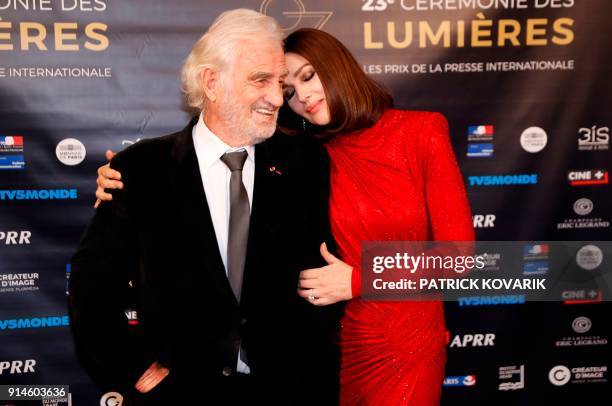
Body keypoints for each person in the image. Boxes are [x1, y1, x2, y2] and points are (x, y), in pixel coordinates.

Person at [96, 27, 474, 405]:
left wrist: (359, 279)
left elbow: (472, 264)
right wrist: (128, 177)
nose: (300, 97)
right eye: (289, 91)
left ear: (338, 66)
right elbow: (213, 143)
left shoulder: (420, 132)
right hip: (331, 354)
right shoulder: (306, 155)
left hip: (405, 348)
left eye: (308, 76)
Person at [70, 11, 342, 406]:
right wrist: (138, 370)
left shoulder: (306, 161)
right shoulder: (141, 169)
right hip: (181, 393)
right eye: (259, 80)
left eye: (278, 84)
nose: (276, 97)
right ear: (212, 82)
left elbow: (323, 263)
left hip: (290, 389)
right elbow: (91, 287)